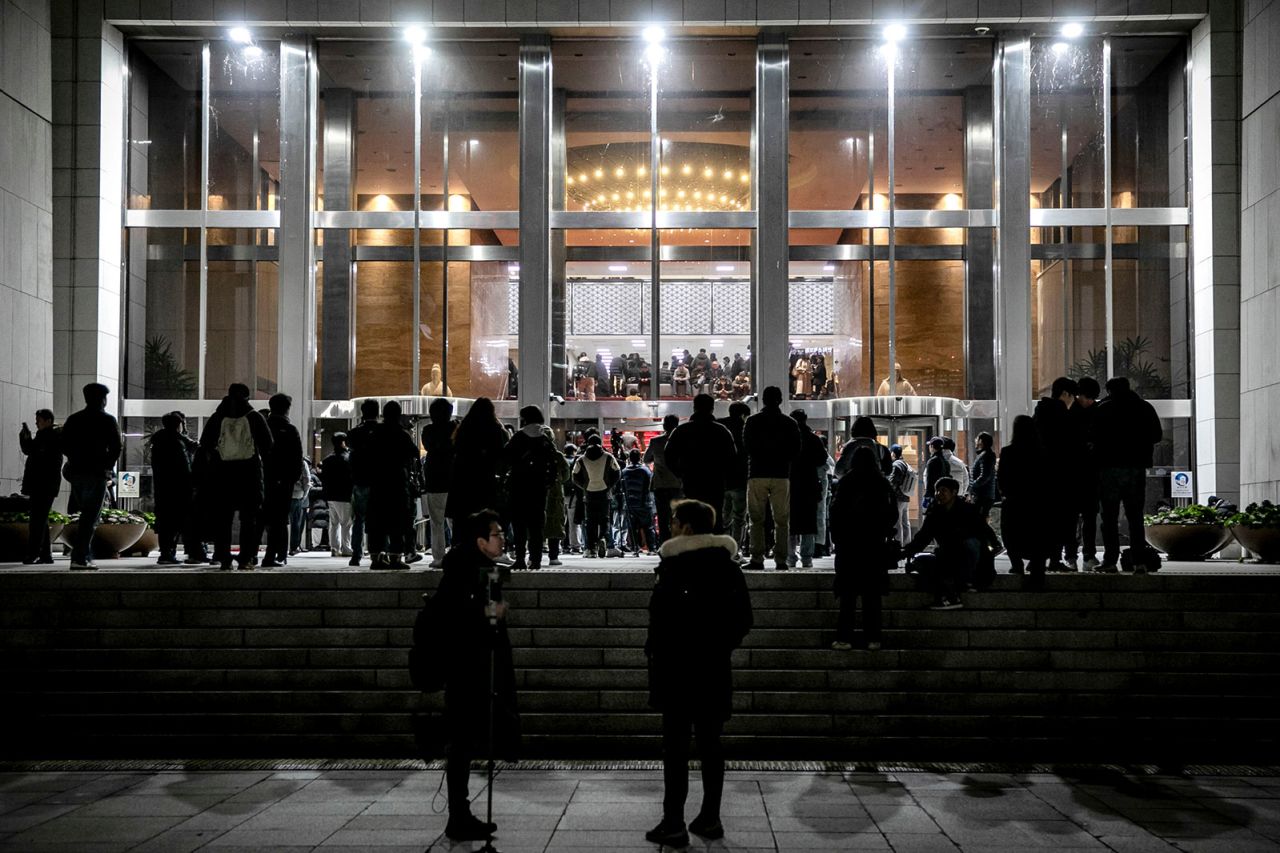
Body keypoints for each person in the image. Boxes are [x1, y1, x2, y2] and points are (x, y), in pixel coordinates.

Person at [644, 499, 752, 849]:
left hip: (676, 669)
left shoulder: (673, 567)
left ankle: (673, 821)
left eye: (674, 520)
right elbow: (743, 620)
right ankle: (711, 817)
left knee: (675, 747)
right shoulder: (729, 568)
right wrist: (719, 646)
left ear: (687, 527)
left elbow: (660, 621)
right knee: (710, 744)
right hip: (713, 668)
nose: (670, 525)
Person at [436, 509, 520, 842]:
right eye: (497, 534)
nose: (503, 539)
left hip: (482, 665)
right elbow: (458, 614)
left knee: (467, 742)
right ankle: (458, 813)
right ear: (481, 540)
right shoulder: (464, 570)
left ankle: (462, 812)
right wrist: (492, 612)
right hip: (467, 667)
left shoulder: (486, 569)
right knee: (461, 742)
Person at [1090, 376, 1163, 573]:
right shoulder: (1144, 407)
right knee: (1135, 517)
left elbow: (1092, 437)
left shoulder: (1104, 409)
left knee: (1109, 518)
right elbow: (1157, 435)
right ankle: (1139, 562)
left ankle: (1110, 560)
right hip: (1135, 468)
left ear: (1109, 390)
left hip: (1109, 469)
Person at [829, 446, 899, 650]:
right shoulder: (881, 483)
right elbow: (892, 513)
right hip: (874, 546)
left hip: (849, 546)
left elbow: (835, 512)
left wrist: (838, 538)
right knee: (872, 596)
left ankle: (844, 638)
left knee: (848, 596)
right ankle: (873, 638)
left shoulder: (846, 482)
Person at [200, 383, 272, 571]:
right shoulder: (254, 417)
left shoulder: (218, 417)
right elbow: (268, 445)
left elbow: (205, 443)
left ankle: (224, 558)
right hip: (249, 474)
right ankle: (246, 558)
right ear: (247, 397)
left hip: (222, 475)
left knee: (223, 520)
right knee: (249, 520)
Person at [59, 383, 123, 570]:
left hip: (77, 473)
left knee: (84, 515)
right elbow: (117, 447)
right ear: (103, 399)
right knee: (90, 517)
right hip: (96, 474)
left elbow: (64, 444)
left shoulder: (74, 419)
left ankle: (80, 555)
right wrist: (107, 466)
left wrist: (75, 459)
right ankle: (81, 557)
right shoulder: (107, 420)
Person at [902, 477, 985, 609]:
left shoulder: (968, 510)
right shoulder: (935, 512)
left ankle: (951, 595)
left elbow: (981, 535)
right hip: (946, 556)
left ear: (954, 492)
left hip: (966, 559)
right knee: (920, 562)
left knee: (967, 546)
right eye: (937, 491)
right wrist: (906, 552)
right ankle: (950, 596)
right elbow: (923, 537)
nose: (938, 494)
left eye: (943, 491)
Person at [743, 385, 801, 570]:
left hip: (758, 473)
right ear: (780, 400)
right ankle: (781, 559)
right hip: (781, 473)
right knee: (782, 520)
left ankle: (757, 557)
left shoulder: (752, 421)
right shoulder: (790, 423)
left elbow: (747, 446)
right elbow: (796, 449)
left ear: (763, 400)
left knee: (756, 519)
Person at [664, 394, 737, 531]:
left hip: (691, 480)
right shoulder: (722, 431)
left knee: (691, 516)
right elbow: (732, 457)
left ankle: (693, 548)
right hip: (715, 481)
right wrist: (724, 476)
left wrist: (680, 473)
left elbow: (668, 455)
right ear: (712, 408)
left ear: (694, 407)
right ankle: (712, 548)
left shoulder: (682, 430)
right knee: (714, 517)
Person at [503, 405, 560, 571]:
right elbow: (553, 463)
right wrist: (548, 482)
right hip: (539, 488)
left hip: (518, 486)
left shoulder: (518, 438)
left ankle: (520, 558)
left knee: (519, 524)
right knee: (536, 526)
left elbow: (505, 458)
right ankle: (536, 560)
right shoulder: (545, 439)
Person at [997, 414, 1047, 587]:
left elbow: (1002, 478)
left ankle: (1017, 565)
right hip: (1037, 502)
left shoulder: (1008, 452)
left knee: (1011, 534)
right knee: (1037, 535)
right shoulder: (1042, 452)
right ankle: (1037, 572)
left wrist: (1007, 493)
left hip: (1015, 501)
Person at [368, 400, 419, 568]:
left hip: (377, 483)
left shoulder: (375, 433)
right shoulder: (402, 434)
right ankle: (396, 557)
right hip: (397, 482)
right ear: (398, 415)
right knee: (398, 521)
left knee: (378, 521)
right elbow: (414, 453)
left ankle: (376, 558)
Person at [1034, 376, 1078, 571]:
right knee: (1061, 521)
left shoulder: (1039, 413)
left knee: (1044, 521)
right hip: (1061, 478)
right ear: (1065, 394)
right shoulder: (1063, 415)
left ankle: (1040, 560)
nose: (1074, 401)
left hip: (1042, 478)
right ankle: (1055, 559)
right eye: (1073, 396)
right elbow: (1071, 448)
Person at [147, 411, 201, 565]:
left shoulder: (158, 440)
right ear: (178, 425)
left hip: (162, 488)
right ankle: (168, 553)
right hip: (178, 488)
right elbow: (184, 467)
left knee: (165, 521)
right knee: (177, 521)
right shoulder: (177, 442)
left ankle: (166, 552)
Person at [446, 398, 508, 526]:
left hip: (463, 484)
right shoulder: (496, 430)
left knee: (463, 523)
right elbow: (502, 457)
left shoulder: (463, 429)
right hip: (486, 483)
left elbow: (455, 452)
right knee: (485, 524)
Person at [259, 393, 304, 568]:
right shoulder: (290, 430)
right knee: (280, 520)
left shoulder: (264, 427)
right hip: (284, 482)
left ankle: (252, 555)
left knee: (262, 519)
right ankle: (278, 555)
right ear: (287, 409)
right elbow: (297, 458)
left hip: (264, 480)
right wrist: (291, 480)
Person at [19, 409, 63, 565]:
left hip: (43, 485)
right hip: (44, 485)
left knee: (37, 521)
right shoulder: (47, 436)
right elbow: (31, 450)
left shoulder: (50, 437)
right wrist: (26, 438)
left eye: (39, 420)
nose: (37, 423)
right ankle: (45, 555)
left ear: (48, 420)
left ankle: (34, 553)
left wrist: (26, 440)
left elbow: (33, 452)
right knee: (40, 520)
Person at [787, 410, 828, 568]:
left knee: (790, 523)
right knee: (808, 524)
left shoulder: (788, 438)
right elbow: (822, 459)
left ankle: (790, 557)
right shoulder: (813, 439)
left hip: (791, 484)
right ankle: (807, 558)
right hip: (810, 484)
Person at [1068, 376, 1102, 570]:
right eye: (1085, 397)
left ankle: (1081, 555)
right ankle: (1079, 555)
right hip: (1087, 474)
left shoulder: (1071, 412)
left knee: (1083, 518)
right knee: (1084, 518)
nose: (1087, 401)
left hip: (1079, 475)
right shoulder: (1096, 412)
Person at [571, 434, 622, 558]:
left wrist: (584, 485)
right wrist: (609, 485)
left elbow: (574, 476)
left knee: (591, 521)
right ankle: (603, 538)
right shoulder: (608, 457)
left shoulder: (581, 459)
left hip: (589, 493)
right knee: (605, 519)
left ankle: (590, 548)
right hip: (605, 492)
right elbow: (617, 472)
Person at [420, 397, 456, 568]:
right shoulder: (455, 428)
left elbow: (429, 447)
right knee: (455, 520)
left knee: (437, 522)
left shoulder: (427, 430)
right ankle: (457, 553)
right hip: (454, 479)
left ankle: (439, 557)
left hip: (434, 480)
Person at [345, 399, 380, 567]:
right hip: (379, 482)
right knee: (379, 519)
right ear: (377, 412)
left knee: (359, 519)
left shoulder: (354, 433)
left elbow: (351, 455)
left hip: (360, 481)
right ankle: (378, 553)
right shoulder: (382, 432)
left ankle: (356, 555)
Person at [644, 414, 683, 544]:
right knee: (677, 515)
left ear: (664, 425)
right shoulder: (682, 441)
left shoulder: (655, 441)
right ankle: (677, 541)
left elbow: (646, 459)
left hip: (660, 484)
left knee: (662, 516)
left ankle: (664, 543)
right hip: (678, 484)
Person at [717, 402, 750, 554]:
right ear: (743, 415)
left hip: (722, 480)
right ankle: (735, 549)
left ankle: (723, 547)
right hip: (740, 480)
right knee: (739, 518)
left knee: (723, 518)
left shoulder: (719, 426)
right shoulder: (747, 428)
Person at [319, 432, 354, 558]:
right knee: (346, 523)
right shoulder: (348, 458)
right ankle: (346, 548)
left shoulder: (327, 459)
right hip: (344, 495)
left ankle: (334, 547)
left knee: (334, 523)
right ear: (343, 442)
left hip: (331, 495)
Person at [542, 427, 571, 566]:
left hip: (536, 493)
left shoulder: (531, 453)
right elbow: (566, 475)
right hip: (554, 494)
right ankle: (553, 556)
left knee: (535, 524)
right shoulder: (558, 456)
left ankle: (533, 555)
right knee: (555, 524)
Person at [619, 449, 656, 555]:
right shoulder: (646, 470)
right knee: (648, 527)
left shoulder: (624, 471)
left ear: (629, 458)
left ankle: (635, 548)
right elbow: (650, 485)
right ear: (640, 457)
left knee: (632, 528)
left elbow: (622, 487)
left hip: (630, 503)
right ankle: (651, 549)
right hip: (644, 503)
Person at [888, 444, 914, 544]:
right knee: (905, 522)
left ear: (893, 453)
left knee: (897, 523)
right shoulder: (905, 463)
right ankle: (907, 543)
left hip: (897, 498)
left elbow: (892, 482)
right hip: (905, 497)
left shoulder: (896, 465)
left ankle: (899, 544)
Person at [969, 432, 998, 518]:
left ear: (981, 441)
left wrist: (973, 486)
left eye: (976, 439)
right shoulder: (984, 455)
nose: (975, 441)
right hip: (983, 495)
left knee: (980, 521)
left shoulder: (986, 455)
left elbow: (985, 476)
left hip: (983, 496)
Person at [923, 437, 951, 507]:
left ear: (932, 446)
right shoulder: (946, 462)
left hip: (934, 495)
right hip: (944, 495)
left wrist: (927, 496)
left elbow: (930, 479)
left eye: (929, 445)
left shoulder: (932, 461)